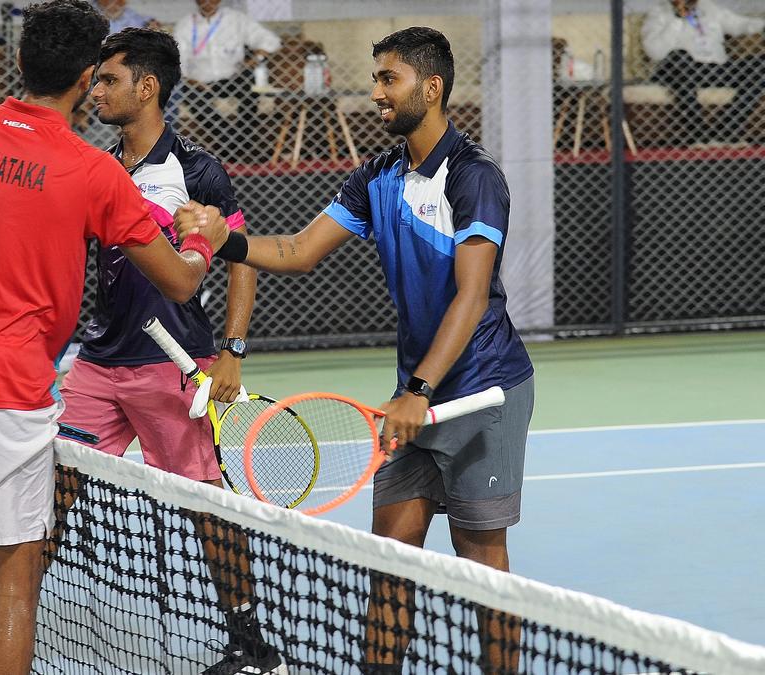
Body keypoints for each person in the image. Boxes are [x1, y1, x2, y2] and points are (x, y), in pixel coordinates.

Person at [0, 2, 230, 674]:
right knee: (13, 582)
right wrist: (200, 236)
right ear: (86, 77)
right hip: (9, 389)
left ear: (20, 62)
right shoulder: (93, 171)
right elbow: (182, 282)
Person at [193, 27, 534, 672]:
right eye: (376, 78)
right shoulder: (377, 174)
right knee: (390, 554)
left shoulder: (474, 177)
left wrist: (420, 390)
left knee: (481, 558)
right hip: (415, 398)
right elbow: (299, 250)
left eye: (389, 79)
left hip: (484, 391)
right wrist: (225, 242)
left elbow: (471, 296)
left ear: (429, 89)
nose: (375, 91)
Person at [69, 27, 279, 674]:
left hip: (174, 367)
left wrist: (233, 351)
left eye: (108, 79)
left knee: (205, 508)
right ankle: (3, 639)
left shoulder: (197, 171)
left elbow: (241, 259)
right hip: (97, 365)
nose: (95, 89)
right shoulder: (96, 166)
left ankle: (251, 645)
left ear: (148, 87)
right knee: (50, 489)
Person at [642, 0, 765, 146]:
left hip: (715, 69)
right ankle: (697, 134)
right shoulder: (659, 13)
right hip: (681, 68)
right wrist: (678, 19)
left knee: (761, 64)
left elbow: (740, 24)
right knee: (679, 56)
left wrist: (762, 24)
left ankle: (726, 129)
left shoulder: (709, 8)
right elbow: (654, 52)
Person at [173, 0, 280, 149]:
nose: (209, 2)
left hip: (233, 79)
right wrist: (191, 81)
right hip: (199, 82)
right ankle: (232, 142)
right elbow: (178, 61)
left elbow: (271, 41)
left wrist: (257, 57)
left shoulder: (236, 19)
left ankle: (238, 139)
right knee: (191, 97)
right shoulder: (186, 25)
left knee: (250, 83)